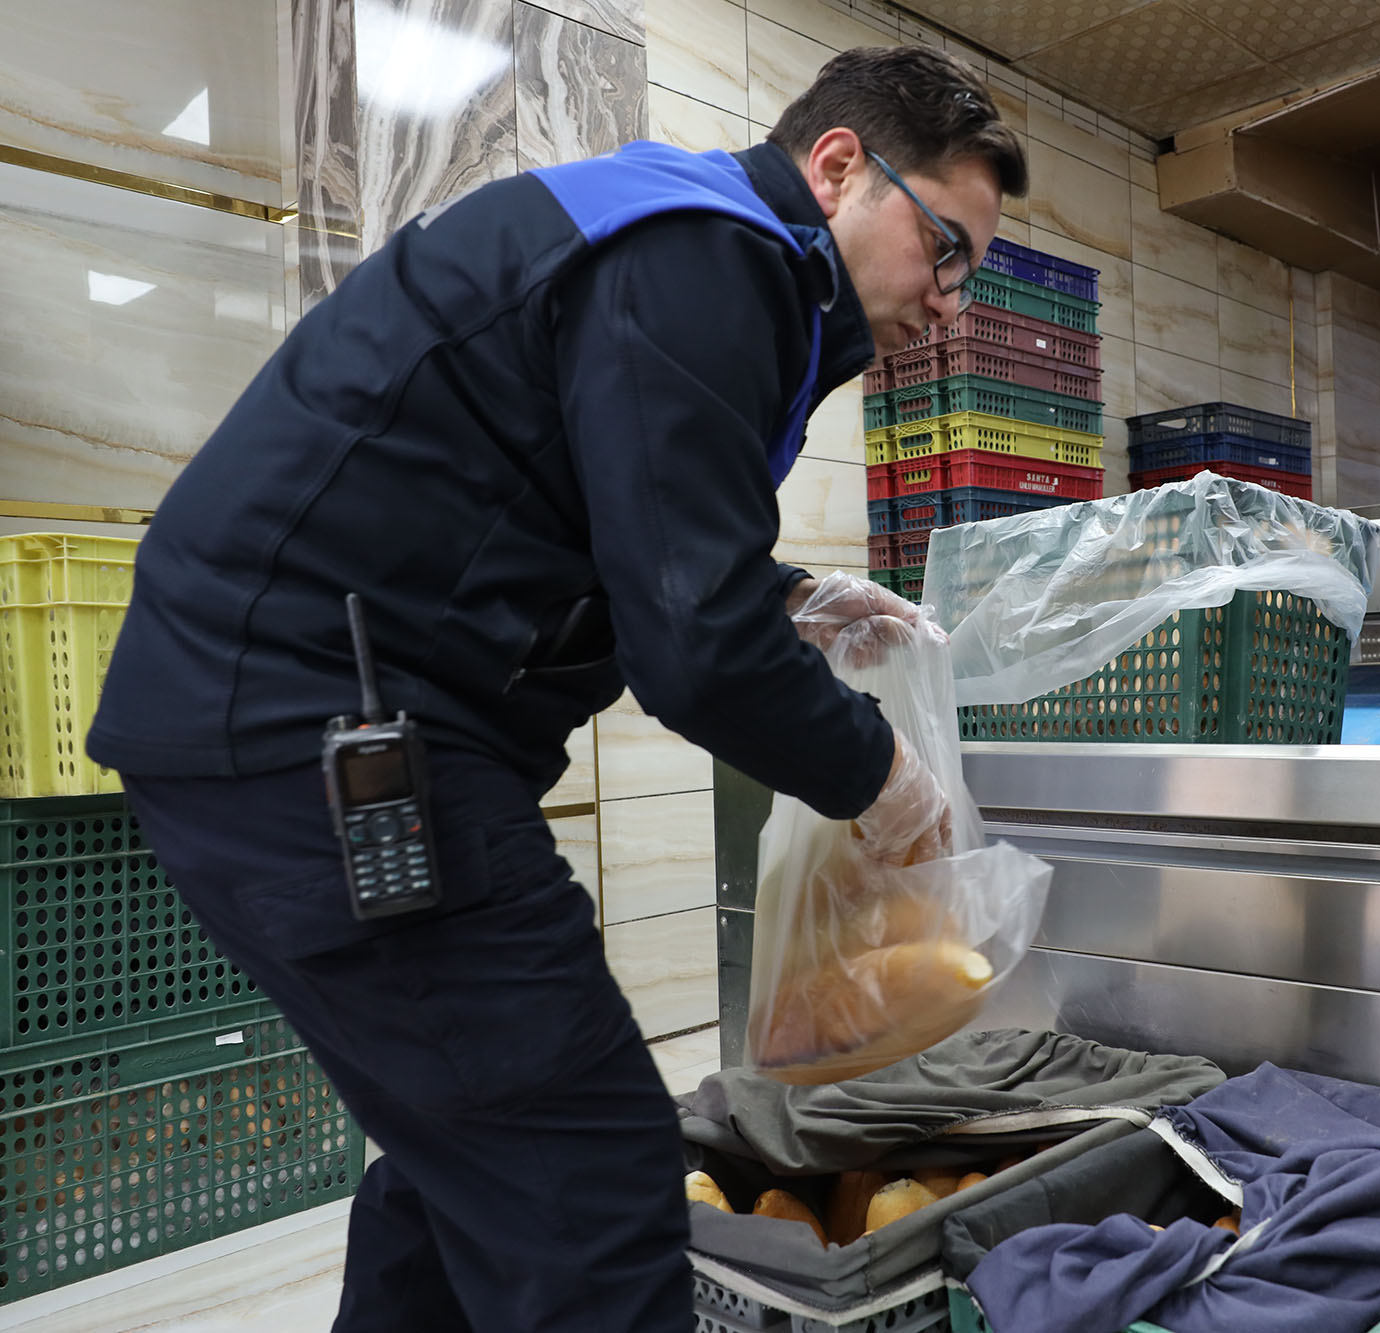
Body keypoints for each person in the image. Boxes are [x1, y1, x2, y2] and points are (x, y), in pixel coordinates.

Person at [84, 44, 1029, 1332]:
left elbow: (603, 516)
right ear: (838, 166)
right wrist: (884, 781)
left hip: (283, 709)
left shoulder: (683, 239)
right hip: (320, 730)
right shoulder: (711, 256)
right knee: (588, 1184)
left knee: (468, 1159)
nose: (951, 303)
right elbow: (691, 648)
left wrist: (788, 598)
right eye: (946, 249)